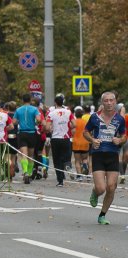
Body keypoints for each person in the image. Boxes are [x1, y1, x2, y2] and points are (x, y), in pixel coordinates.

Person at [83, 91, 127, 225]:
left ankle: (102, 215)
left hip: (113, 155)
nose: (109, 103)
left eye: (111, 100)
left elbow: (124, 136)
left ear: (115, 102)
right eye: (106, 100)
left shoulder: (120, 119)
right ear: (102, 103)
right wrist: (92, 140)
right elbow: (85, 132)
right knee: (101, 188)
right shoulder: (94, 117)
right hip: (98, 155)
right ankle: (95, 193)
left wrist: (120, 141)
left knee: (112, 186)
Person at [45, 96, 75, 187]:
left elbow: (47, 127)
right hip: (66, 138)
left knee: (57, 160)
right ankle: (67, 166)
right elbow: (74, 124)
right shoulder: (68, 112)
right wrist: (69, 127)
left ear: (55, 103)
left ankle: (60, 180)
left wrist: (50, 129)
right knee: (66, 156)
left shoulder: (51, 113)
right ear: (63, 102)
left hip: (55, 138)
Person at [14, 94, 43, 184]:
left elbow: (14, 122)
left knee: (24, 155)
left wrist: (20, 121)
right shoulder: (34, 109)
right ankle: (29, 173)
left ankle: (25, 172)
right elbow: (39, 120)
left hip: (22, 133)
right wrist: (36, 122)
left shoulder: (18, 110)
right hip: (31, 133)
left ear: (22, 100)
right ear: (30, 100)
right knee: (30, 156)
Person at [72, 107, 90, 181]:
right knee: (85, 158)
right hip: (85, 143)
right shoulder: (85, 122)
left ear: (75, 115)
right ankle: (85, 164)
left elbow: (72, 132)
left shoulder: (74, 122)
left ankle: (79, 176)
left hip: (76, 143)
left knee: (77, 161)